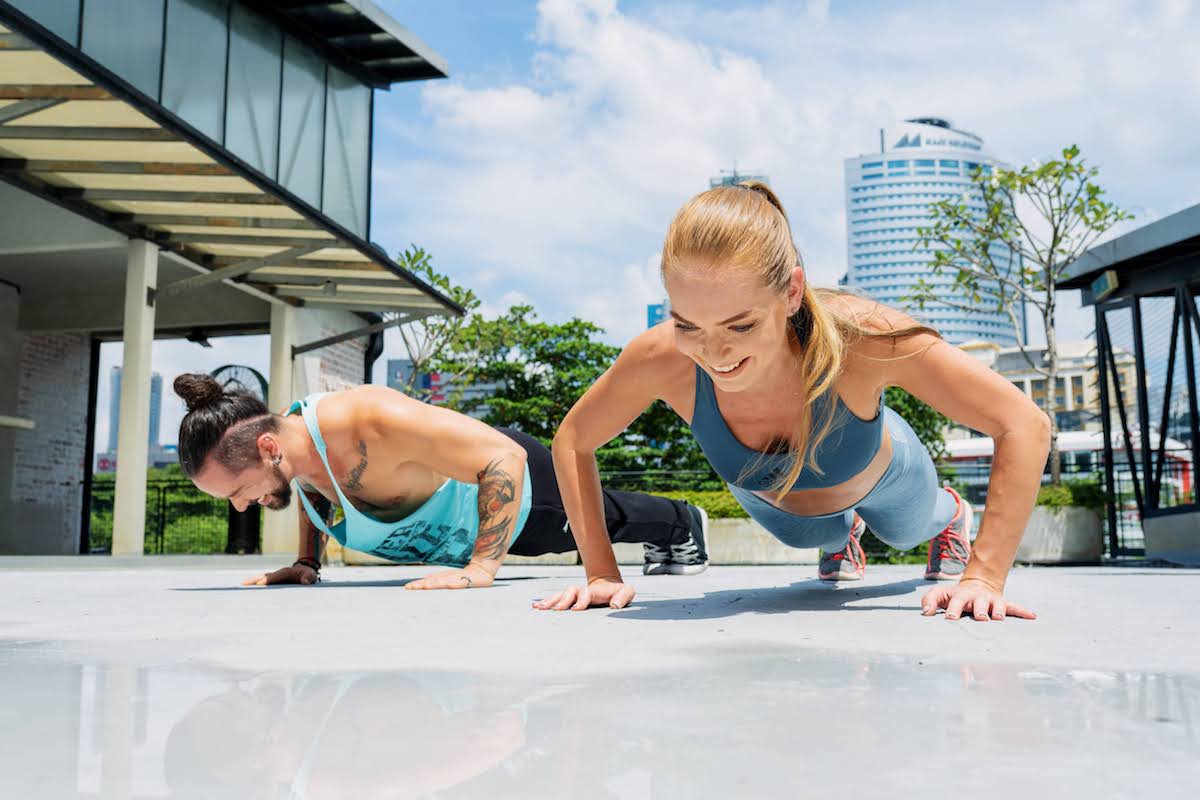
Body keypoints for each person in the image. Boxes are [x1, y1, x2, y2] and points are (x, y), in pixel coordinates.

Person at [535, 181, 1048, 621]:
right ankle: (841, 537)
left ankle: (949, 514)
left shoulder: (861, 336)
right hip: (773, 497)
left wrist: (983, 576)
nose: (715, 354)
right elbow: (574, 440)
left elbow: (1023, 423)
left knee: (905, 532)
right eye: (689, 325)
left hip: (884, 474)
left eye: (742, 325)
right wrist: (601, 572)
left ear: (792, 292)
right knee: (813, 537)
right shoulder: (659, 357)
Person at [172, 375, 709, 589]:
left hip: (516, 493)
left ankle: (684, 521)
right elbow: (313, 490)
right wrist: (307, 564)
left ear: (268, 449)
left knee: (601, 519)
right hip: (460, 524)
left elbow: (503, 457)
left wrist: (480, 570)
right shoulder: (295, 453)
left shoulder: (368, 420)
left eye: (237, 492)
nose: (241, 508)